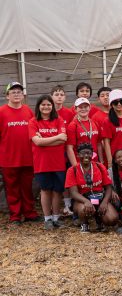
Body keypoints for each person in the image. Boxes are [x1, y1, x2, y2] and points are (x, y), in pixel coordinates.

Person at [0, 81, 38, 224]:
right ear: (7, 96)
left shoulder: (28, 111)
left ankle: (29, 213)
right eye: (13, 92)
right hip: (8, 159)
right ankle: (15, 215)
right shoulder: (1, 112)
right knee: (12, 189)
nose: (16, 94)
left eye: (19, 92)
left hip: (27, 157)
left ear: (23, 95)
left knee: (27, 187)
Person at [29, 95, 68, 229]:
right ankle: (47, 219)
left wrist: (44, 140)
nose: (46, 107)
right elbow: (37, 142)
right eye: (43, 104)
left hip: (58, 162)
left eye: (49, 105)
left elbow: (63, 140)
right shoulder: (33, 122)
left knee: (57, 191)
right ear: (38, 106)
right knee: (45, 190)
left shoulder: (59, 120)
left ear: (52, 106)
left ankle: (56, 218)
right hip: (42, 163)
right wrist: (56, 137)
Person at [65, 143, 118, 232]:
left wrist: (104, 202)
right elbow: (73, 193)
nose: (86, 156)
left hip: (99, 197)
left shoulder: (99, 166)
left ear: (92, 154)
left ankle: (99, 219)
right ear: (78, 155)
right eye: (83, 153)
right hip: (82, 199)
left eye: (89, 153)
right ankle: (84, 223)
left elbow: (108, 188)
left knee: (112, 219)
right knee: (83, 209)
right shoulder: (72, 170)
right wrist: (86, 201)